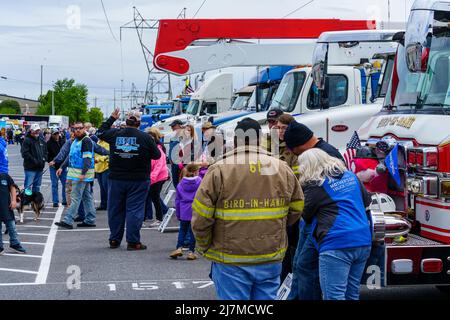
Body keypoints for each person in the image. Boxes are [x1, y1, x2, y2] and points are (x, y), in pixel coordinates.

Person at [191, 118, 305, 300]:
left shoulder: (219, 169)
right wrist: (276, 227)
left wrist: (204, 245)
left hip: (230, 257)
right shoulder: (282, 168)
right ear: (259, 139)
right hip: (270, 255)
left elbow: (201, 217)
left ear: (235, 141)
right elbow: (297, 208)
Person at [295, 148, 372, 300]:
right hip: (363, 240)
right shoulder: (351, 176)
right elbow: (366, 201)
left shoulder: (316, 186)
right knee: (351, 294)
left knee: (334, 296)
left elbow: (306, 215)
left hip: (336, 244)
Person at [284, 121, 345, 300]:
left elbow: (329, 194)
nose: (295, 157)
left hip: (322, 222)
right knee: (299, 265)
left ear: (300, 146)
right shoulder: (325, 150)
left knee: (306, 267)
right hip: (317, 220)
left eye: (294, 152)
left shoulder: (328, 154)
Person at [97, 108, 161, 250]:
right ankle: (132, 241)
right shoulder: (145, 138)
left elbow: (99, 132)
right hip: (138, 179)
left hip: (116, 178)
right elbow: (157, 155)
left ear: (126, 121)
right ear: (139, 122)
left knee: (115, 209)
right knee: (135, 210)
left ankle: (114, 239)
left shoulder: (115, 134)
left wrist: (112, 118)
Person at [55, 122, 97, 229]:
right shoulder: (76, 141)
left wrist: (83, 174)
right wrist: (61, 167)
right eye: (75, 128)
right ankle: (90, 219)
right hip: (76, 175)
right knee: (86, 197)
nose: (77, 130)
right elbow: (70, 156)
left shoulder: (86, 141)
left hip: (81, 175)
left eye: (80, 128)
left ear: (84, 129)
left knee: (75, 197)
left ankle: (68, 220)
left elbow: (87, 159)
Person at [170, 164, 202, 261]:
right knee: (193, 232)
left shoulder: (180, 184)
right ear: (196, 171)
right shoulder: (200, 182)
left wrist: (178, 213)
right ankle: (191, 252)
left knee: (182, 230)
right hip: (195, 209)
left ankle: (179, 247)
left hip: (184, 209)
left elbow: (177, 200)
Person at [145, 127, 169, 227]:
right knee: (153, 196)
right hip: (153, 176)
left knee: (154, 197)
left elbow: (159, 165)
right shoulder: (150, 147)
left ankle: (159, 218)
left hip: (159, 176)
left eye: (150, 137)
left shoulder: (159, 148)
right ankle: (164, 211)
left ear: (154, 137)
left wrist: (152, 178)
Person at [0, 173, 26, 254]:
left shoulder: (4, 176)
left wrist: (14, 200)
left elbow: (12, 187)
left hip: (6, 207)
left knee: (12, 226)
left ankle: (15, 244)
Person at [21, 124, 48, 193]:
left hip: (40, 168)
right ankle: (27, 201)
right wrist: (34, 160)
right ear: (31, 130)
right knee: (28, 186)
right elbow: (24, 153)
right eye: (35, 130)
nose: (37, 132)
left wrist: (44, 159)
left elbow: (45, 152)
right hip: (30, 168)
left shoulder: (41, 140)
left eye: (38, 130)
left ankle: (35, 202)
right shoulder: (27, 140)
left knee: (37, 186)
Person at [47, 128, 67, 207]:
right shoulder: (48, 143)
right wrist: (49, 161)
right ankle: (55, 201)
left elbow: (66, 153)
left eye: (57, 133)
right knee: (54, 184)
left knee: (65, 184)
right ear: (52, 135)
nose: (56, 135)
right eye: (55, 134)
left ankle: (65, 200)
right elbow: (47, 155)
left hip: (62, 166)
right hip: (53, 166)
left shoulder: (63, 141)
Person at [94, 138, 110, 211]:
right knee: (102, 187)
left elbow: (108, 155)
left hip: (105, 168)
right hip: (97, 168)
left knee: (106, 187)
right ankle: (103, 204)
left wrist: (99, 159)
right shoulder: (97, 142)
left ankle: (109, 205)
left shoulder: (107, 143)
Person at [168, 119, 184, 188]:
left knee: (180, 181)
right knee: (175, 181)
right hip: (173, 163)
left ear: (179, 126)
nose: (172, 128)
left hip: (180, 163)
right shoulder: (173, 137)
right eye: (172, 126)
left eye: (174, 126)